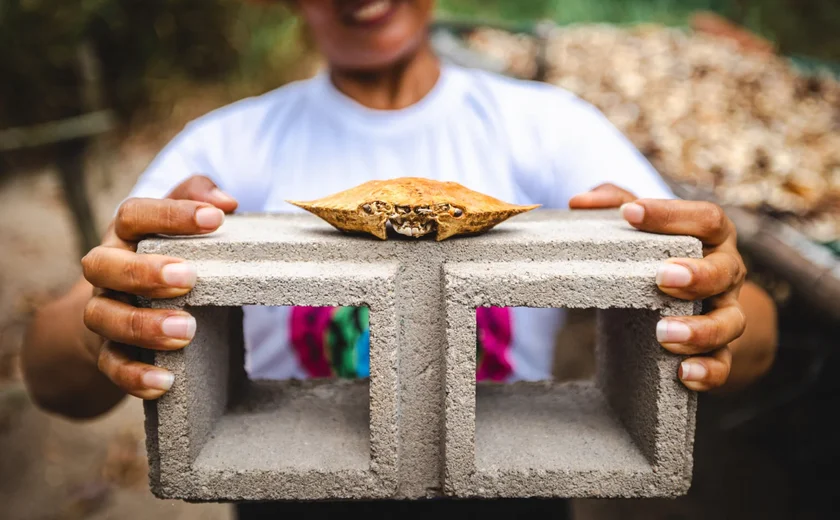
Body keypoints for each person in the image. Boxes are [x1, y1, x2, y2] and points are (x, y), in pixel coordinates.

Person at [22, 0, 779, 517]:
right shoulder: (226, 147)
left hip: (511, 492)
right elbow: (55, 376)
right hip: (288, 494)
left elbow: (746, 337)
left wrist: (717, 301)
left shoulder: (550, 129)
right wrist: (106, 321)